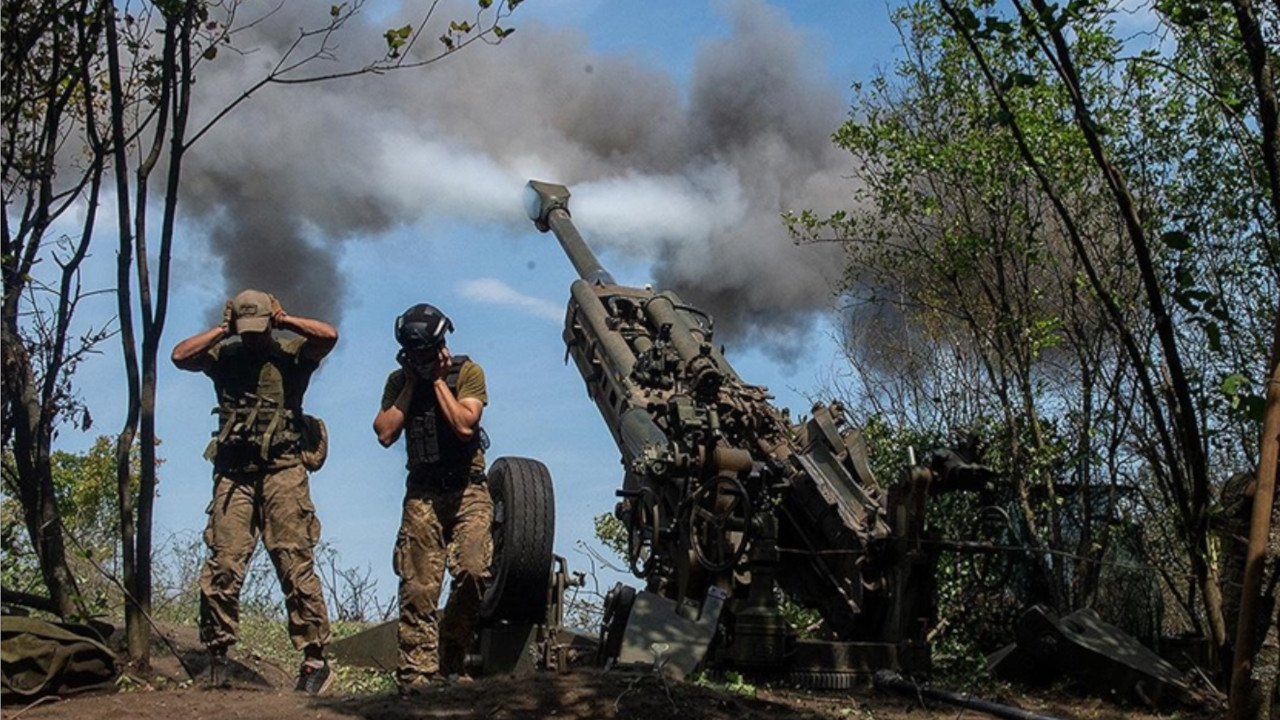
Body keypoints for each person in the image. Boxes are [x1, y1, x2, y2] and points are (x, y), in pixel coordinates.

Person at [171, 289, 337, 696]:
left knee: (294, 564)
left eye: (258, 329)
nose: (252, 338)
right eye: (245, 331)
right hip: (234, 475)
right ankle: (218, 657)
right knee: (223, 566)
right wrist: (222, 330)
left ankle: (315, 660)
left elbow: (328, 336)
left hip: (283, 471)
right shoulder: (224, 357)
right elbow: (179, 357)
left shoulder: (292, 354)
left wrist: (284, 320)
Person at [372, 303, 492, 693]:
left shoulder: (467, 374)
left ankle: (451, 655)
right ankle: (416, 674)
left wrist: (439, 381)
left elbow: (462, 424)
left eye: (427, 351)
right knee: (419, 585)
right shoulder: (398, 381)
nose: (421, 359)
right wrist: (411, 384)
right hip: (423, 492)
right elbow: (385, 432)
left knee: (473, 570)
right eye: (414, 354)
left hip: (467, 489)